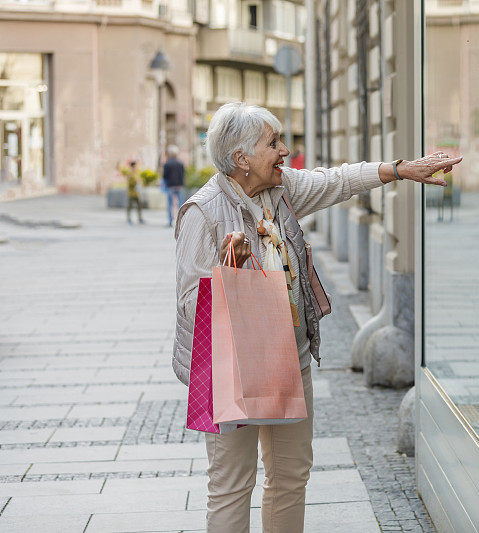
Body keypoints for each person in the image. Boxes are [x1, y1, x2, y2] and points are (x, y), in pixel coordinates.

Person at [172, 102, 461, 533]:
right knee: (232, 484)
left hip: (291, 359)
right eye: (273, 143)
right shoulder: (204, 211)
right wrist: (233, 275)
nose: (285, 150)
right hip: (231, 369)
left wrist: (400, 169)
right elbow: (191, 303)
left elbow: (338, 180)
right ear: (241, 159)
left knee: (290, 476)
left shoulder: (281, 189)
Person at [163, 145, 186, 227]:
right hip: (179, 186)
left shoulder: (167, 164)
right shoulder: (180, 163)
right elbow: (183, 175)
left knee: (170, 204)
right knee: (181, 205)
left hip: (170, 186)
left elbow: (165, 176)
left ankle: (170, 221)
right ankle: (181, 221)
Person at [123, 160, 144, 225]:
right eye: (135, 166)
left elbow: (140, 179)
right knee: (130, 206)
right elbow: (130, 182)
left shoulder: (137, 172)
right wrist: (136, 182)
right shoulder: (129, 173)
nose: (136, 167)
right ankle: (128, 218)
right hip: (131, 192)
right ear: (132, 166)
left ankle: (140, 218)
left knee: (139, 206)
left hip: (137, 193)